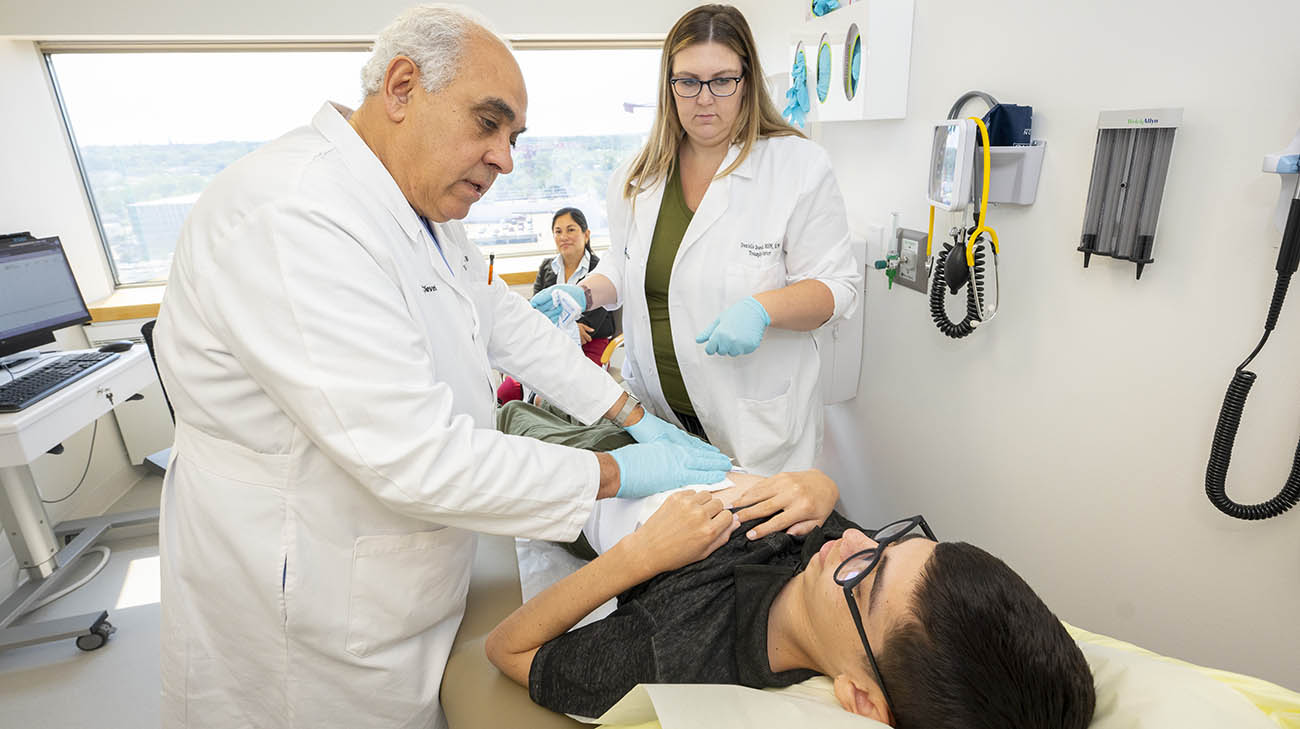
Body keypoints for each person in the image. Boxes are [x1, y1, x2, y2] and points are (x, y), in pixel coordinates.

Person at [152, 6, 731, 728]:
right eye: (487, 124)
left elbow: (507, 322)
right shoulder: (294, 215)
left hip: (401, 567)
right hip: (303, 593)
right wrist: (617, 474)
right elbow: (416, 456)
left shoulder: (420, 212)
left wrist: (631, 418)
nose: (505, 158)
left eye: (514, 137)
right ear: (401, 87)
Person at [533, 4, 862, 477]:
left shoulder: (797, 167)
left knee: (755, 544)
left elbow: (836, 287)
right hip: (656, 418)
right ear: (669, 86)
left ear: (746, 80)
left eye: (722, 80)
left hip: (751, 425)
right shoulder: (637, 176)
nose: (704, 98)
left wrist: (763, 309)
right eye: (687, 82)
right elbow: (624, 266)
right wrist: (582, 292)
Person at [486, 496, 1096, 729]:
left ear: (861, 698)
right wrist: (815, 484)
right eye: (892, 540)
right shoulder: (841, 566)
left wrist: (636, 556)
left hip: (593, 491)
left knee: (518, 414)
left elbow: (506, 650)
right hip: (678, 449)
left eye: (865, 575)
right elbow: (849, 541)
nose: (854, 542)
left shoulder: (670, 654)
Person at [497, 207, 617, 403]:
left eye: (571, 230)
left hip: (591, 343)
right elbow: (534, 311)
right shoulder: (547, 267)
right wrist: (565, 328)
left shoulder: (600, 268)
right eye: (558, 231)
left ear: (586, 235)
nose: (564, 237)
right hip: (548, 343)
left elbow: (589, 326)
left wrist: (557, 328)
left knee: (567, 395)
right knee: (507, 391)